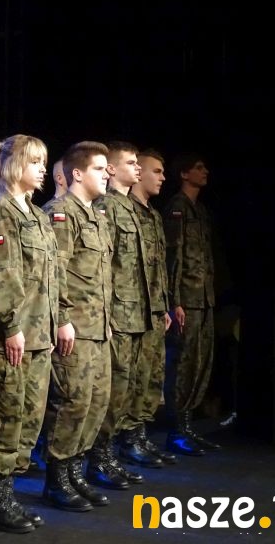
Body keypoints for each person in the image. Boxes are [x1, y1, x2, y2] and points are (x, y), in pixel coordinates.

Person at [0, 135, 57, 533]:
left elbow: (49, 277)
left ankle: (9, 494)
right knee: (6, 418)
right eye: (34, 161)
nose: (43, 169)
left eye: (44, 161)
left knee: (28, 418)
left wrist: (54, 322)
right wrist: (10, 326)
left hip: (39, 333)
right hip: (12, 336)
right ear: (12, 166)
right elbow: (1, 275)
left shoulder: (37, 214)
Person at [41, 141, 112, 512]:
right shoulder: (61, 213)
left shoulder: (95, 215)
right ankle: (56, 478)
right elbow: (55, 273)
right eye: (99, 168)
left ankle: (75, 472)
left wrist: (107, 322)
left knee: (95, 402)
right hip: (75, 328)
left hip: (98, 327)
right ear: (78, 174)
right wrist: (62, 319)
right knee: (71, 402)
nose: (107, 174)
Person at [86, 141, 156, 491]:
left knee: (128, 388)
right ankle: (98, 458)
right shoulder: (107, 206)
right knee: (111, 391)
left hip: (136, 312)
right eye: (131, 162)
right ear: (112, 169)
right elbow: (103, 266)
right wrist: (106, 314)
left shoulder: (129, 207)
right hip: (117, 314)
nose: (138, 168)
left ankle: (110, 453)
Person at [163, 152, 219, 455]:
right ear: (184, 174)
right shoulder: (177, 208)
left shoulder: (200, 210)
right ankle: (176, 430)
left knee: (199, 362)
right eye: (198, 167)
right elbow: (174, 257)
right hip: (186, 298)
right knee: (182, 364)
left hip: (203, 297)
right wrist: (175, 301)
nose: (205, 171)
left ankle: (187, 426)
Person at [128, 149, 175, 465]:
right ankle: (127, 441)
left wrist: (165, 306)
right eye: (156, 171)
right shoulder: (122, 209)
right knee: (132, 379)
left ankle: (140, 436)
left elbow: (159, 266)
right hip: (132, 311)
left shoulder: (153, 215)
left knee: (151, 377)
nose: (162, 178)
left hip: (155, 309)